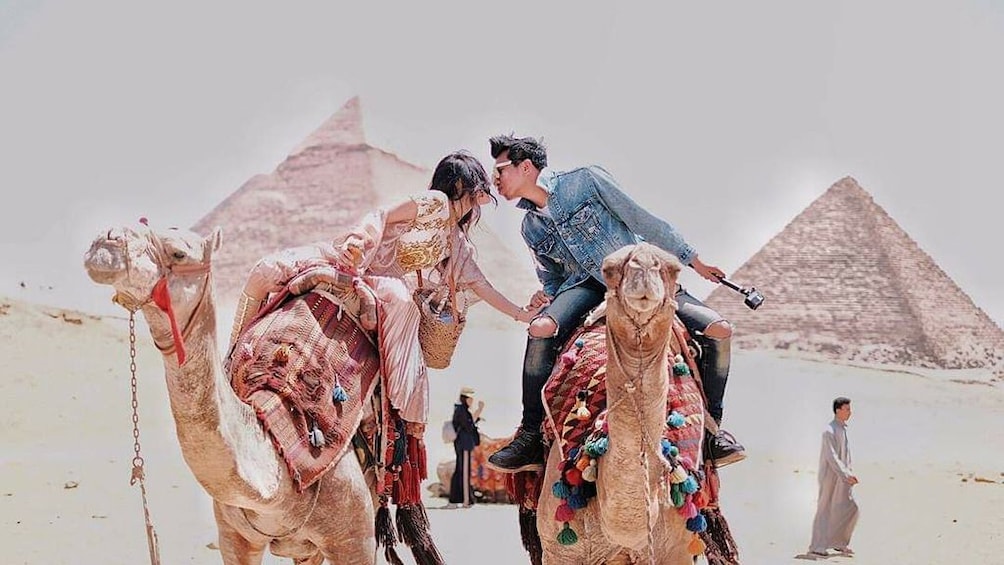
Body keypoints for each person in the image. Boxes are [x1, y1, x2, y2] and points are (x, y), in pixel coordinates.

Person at [485, 134, 745, 473]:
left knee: (719, 330)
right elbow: (551, 276)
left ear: (526, 167)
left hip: (636, 275)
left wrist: (694, 261)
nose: (495, 180)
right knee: (541, 328)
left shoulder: (585, 180)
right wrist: (546, 297)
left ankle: (713, 432)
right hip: (586, 286)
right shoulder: (530, 226)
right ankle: (531, 434)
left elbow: (640, 220)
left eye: (500, 169)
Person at [229, 150, 538, 430]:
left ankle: (394, 400)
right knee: (266, 271)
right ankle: (233, 356)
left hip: (379, 285)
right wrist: (359, 241)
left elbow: (481, 285)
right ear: (465, 187)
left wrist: (521, 314)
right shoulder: (434, 203)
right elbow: (382, 215)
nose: (481, 198)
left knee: (401, 299)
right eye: (477, 189)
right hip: (349, 262)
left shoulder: (456, 242)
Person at [808, 397, 859, 558]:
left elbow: (846, 455)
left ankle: (839, 542)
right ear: (838, 410)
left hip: (843, 477)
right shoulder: (828, 430)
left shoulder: (842, 429)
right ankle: (817, 545)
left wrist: (848, 474)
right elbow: (832, 457)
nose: (850, 412)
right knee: (825, 508)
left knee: (851, 508)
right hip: (830, 476)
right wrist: (845, 474)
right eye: (847, 409)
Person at [446, 386, 484, 509]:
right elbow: (468, 426)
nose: (472, 400)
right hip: (464, 444)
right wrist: (479, 410)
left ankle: (456, 499)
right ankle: (466, 500)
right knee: (464, 472)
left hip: (462, 444)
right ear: (465, 398)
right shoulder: (462, 410)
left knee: (460, 470)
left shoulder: (461, 409)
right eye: (470, 398)